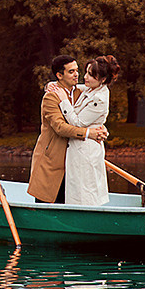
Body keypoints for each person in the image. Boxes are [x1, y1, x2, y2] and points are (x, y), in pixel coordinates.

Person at [28, 56, 100, 203]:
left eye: (77, 70)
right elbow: (60, 128)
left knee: (69, 207)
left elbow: (94, 104)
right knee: (47, 207)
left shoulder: (79, 94)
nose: (76, 74)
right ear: (59, 76)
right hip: (50, 162)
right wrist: (88, 134)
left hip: (73, 162)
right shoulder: (50, 97)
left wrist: (100, 128)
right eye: (71, 71)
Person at [63, 55, 118, 206]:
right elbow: (76, 87)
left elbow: (77, 122)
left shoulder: (100, 98)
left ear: (103, 79)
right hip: (81, 145)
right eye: (86, 72)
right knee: (78, 186)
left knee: (85, 187)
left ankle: (85, 217)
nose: (85, 77)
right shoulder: (92, 88)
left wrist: (63, 101)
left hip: (86, 148)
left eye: (91, 75)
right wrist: (54, 85)